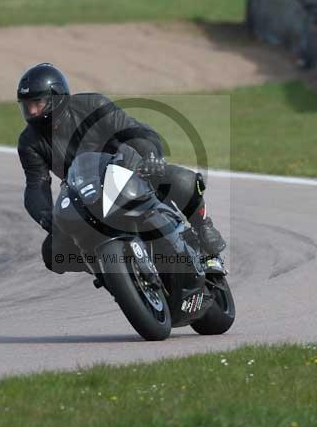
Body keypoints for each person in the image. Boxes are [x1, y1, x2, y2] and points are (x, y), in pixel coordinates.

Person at [16, 62, 226, 273]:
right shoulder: (28, 143)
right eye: (26, 105)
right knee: (53, 252)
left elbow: (132, 130)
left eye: (37, 103)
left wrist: (150, 155)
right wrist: (44, 214)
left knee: (182, 180)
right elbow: (36, 184)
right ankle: (107, 271)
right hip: (85, 195)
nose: (32, 111)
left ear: (57, 97)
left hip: (128, 172)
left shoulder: (92, 105)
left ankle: (205, 234)